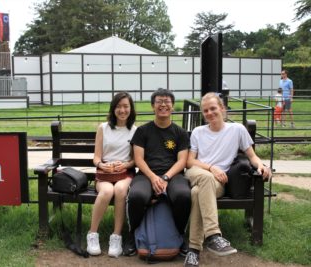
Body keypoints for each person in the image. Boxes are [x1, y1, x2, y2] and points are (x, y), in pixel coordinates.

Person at [183, 92, 271, 267]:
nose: (209, 113)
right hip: (197, 172)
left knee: (196, 193)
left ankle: (193, 250)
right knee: (203, 180)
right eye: (205, 110)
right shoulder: (198, 132)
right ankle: (213, 235)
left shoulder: (237, 129)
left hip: (217, 183)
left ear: (222, 109)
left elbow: (251, 155)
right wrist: (211, 168)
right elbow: (189, 161)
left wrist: (261, 166)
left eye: (213, 108)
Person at [124, 88, 192, 256]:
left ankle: (180, 235)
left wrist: (166, 177)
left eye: (167, 102)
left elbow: (182, 160)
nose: (163, 105)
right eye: (159, 102)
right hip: (147, 175)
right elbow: (139, 159)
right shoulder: (142, 131)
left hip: (174, 175)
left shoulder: (180, 133)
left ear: (173, 106)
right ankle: (133, 234)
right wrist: (154, 178)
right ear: (153, 106)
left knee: (183, 195)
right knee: (137, 196)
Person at [87, 91, 137, 258]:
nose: (122, 110)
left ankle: (116, 237)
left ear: (131, 109)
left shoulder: (135, 130)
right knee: (107, 191)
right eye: (118, 106)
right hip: (105, 173)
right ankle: (92, 234)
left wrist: (125, 164)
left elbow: (135, 160)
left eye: (126, 106)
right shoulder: (103, 128)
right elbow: (96, 157)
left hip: (125, 173)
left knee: (121, 191)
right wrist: (103, 165)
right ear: (113, 108)